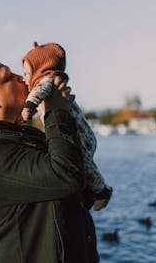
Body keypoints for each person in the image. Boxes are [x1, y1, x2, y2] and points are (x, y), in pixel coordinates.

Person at [0, 54, 99, 263]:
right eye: (9, 78)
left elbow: (80, 190)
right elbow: (65, 176)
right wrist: (55, 110)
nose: (20, 78)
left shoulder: (27, 135)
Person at [21, 42, 112, 211]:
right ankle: (92, 191)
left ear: (40, 69)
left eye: (26, 74)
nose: (24, 79)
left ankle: (102, 191)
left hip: (80, 135)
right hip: (80, 132)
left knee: (85, 166)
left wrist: (28, 107)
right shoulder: (54, 84)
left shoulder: (46, 81)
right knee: (84, 166)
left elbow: (37, 93)